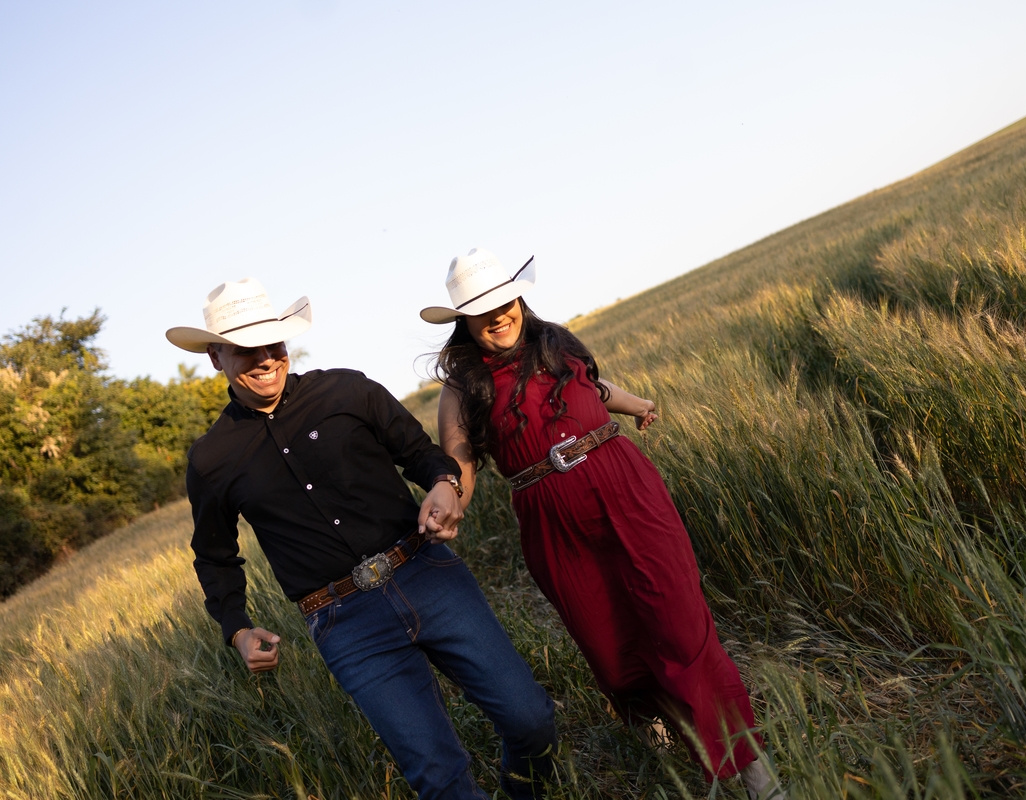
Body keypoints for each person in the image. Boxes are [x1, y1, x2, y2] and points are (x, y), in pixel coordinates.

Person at [166, 277, 558, 800]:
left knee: (531, 720)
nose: (264, 359)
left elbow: (420, 453)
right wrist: (236, 628)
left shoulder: (347, 391)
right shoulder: (211, 458)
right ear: (216, 357)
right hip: (344, 622)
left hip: (428, 575)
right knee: (437, 778)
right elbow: (214, 557)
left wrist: (444, 483)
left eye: (272, 343)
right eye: (244, 349)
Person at [422, 249, 781, 798]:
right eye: (480, 310)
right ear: (463, 322)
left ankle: (755, 775)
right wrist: (451, 499)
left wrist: (638, 404)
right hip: (552, 522)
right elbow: (460, 460)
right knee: (611, 650)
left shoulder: (555, 343)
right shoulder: (462, 387)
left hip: (627, 492)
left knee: (681, 627)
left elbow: (595, 386)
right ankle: (663, 731)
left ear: (518, 298)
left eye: (503, 301)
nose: (496, 315)